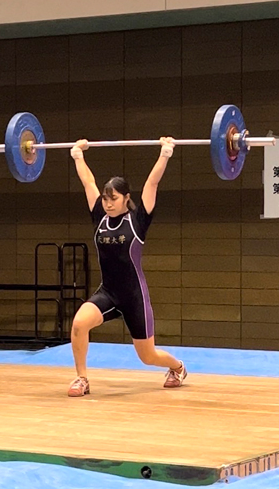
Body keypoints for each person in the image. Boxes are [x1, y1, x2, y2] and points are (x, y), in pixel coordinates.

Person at [68, 137, 187, 397]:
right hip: (108, 293)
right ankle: (82, 379)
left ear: (126, 198)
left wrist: (165, 154)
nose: (108, 203)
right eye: (105, 199)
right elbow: (88, 182)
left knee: (148, 356)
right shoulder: (99, 216)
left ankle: (177, 367)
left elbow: (152, 183)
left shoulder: (138, 220)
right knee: (79, 323)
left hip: (134, 297)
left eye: (114, 198)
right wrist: (78, 156)